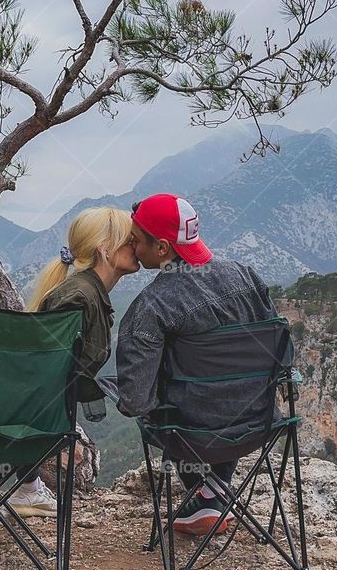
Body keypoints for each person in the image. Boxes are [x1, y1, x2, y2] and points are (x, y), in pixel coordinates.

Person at [0, 206, 139, 527]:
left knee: (36, 422)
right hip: (24, 411)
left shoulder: (85, 292)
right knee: (35, 426)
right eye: (130, 241)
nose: (137, 246)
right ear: (105, 250)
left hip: (19, 404)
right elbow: (43, 383)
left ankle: (26, 489)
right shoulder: (79, 298)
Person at [115, 193, 280, 535]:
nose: (131, 245)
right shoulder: (247, 277)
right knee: (226, 390)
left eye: (135, 240)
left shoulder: (152, 305)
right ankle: (213, 490)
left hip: (191, 435)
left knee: (165, 403)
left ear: (161, 248)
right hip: (257, 423)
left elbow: (135, 401)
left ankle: (208, 492)